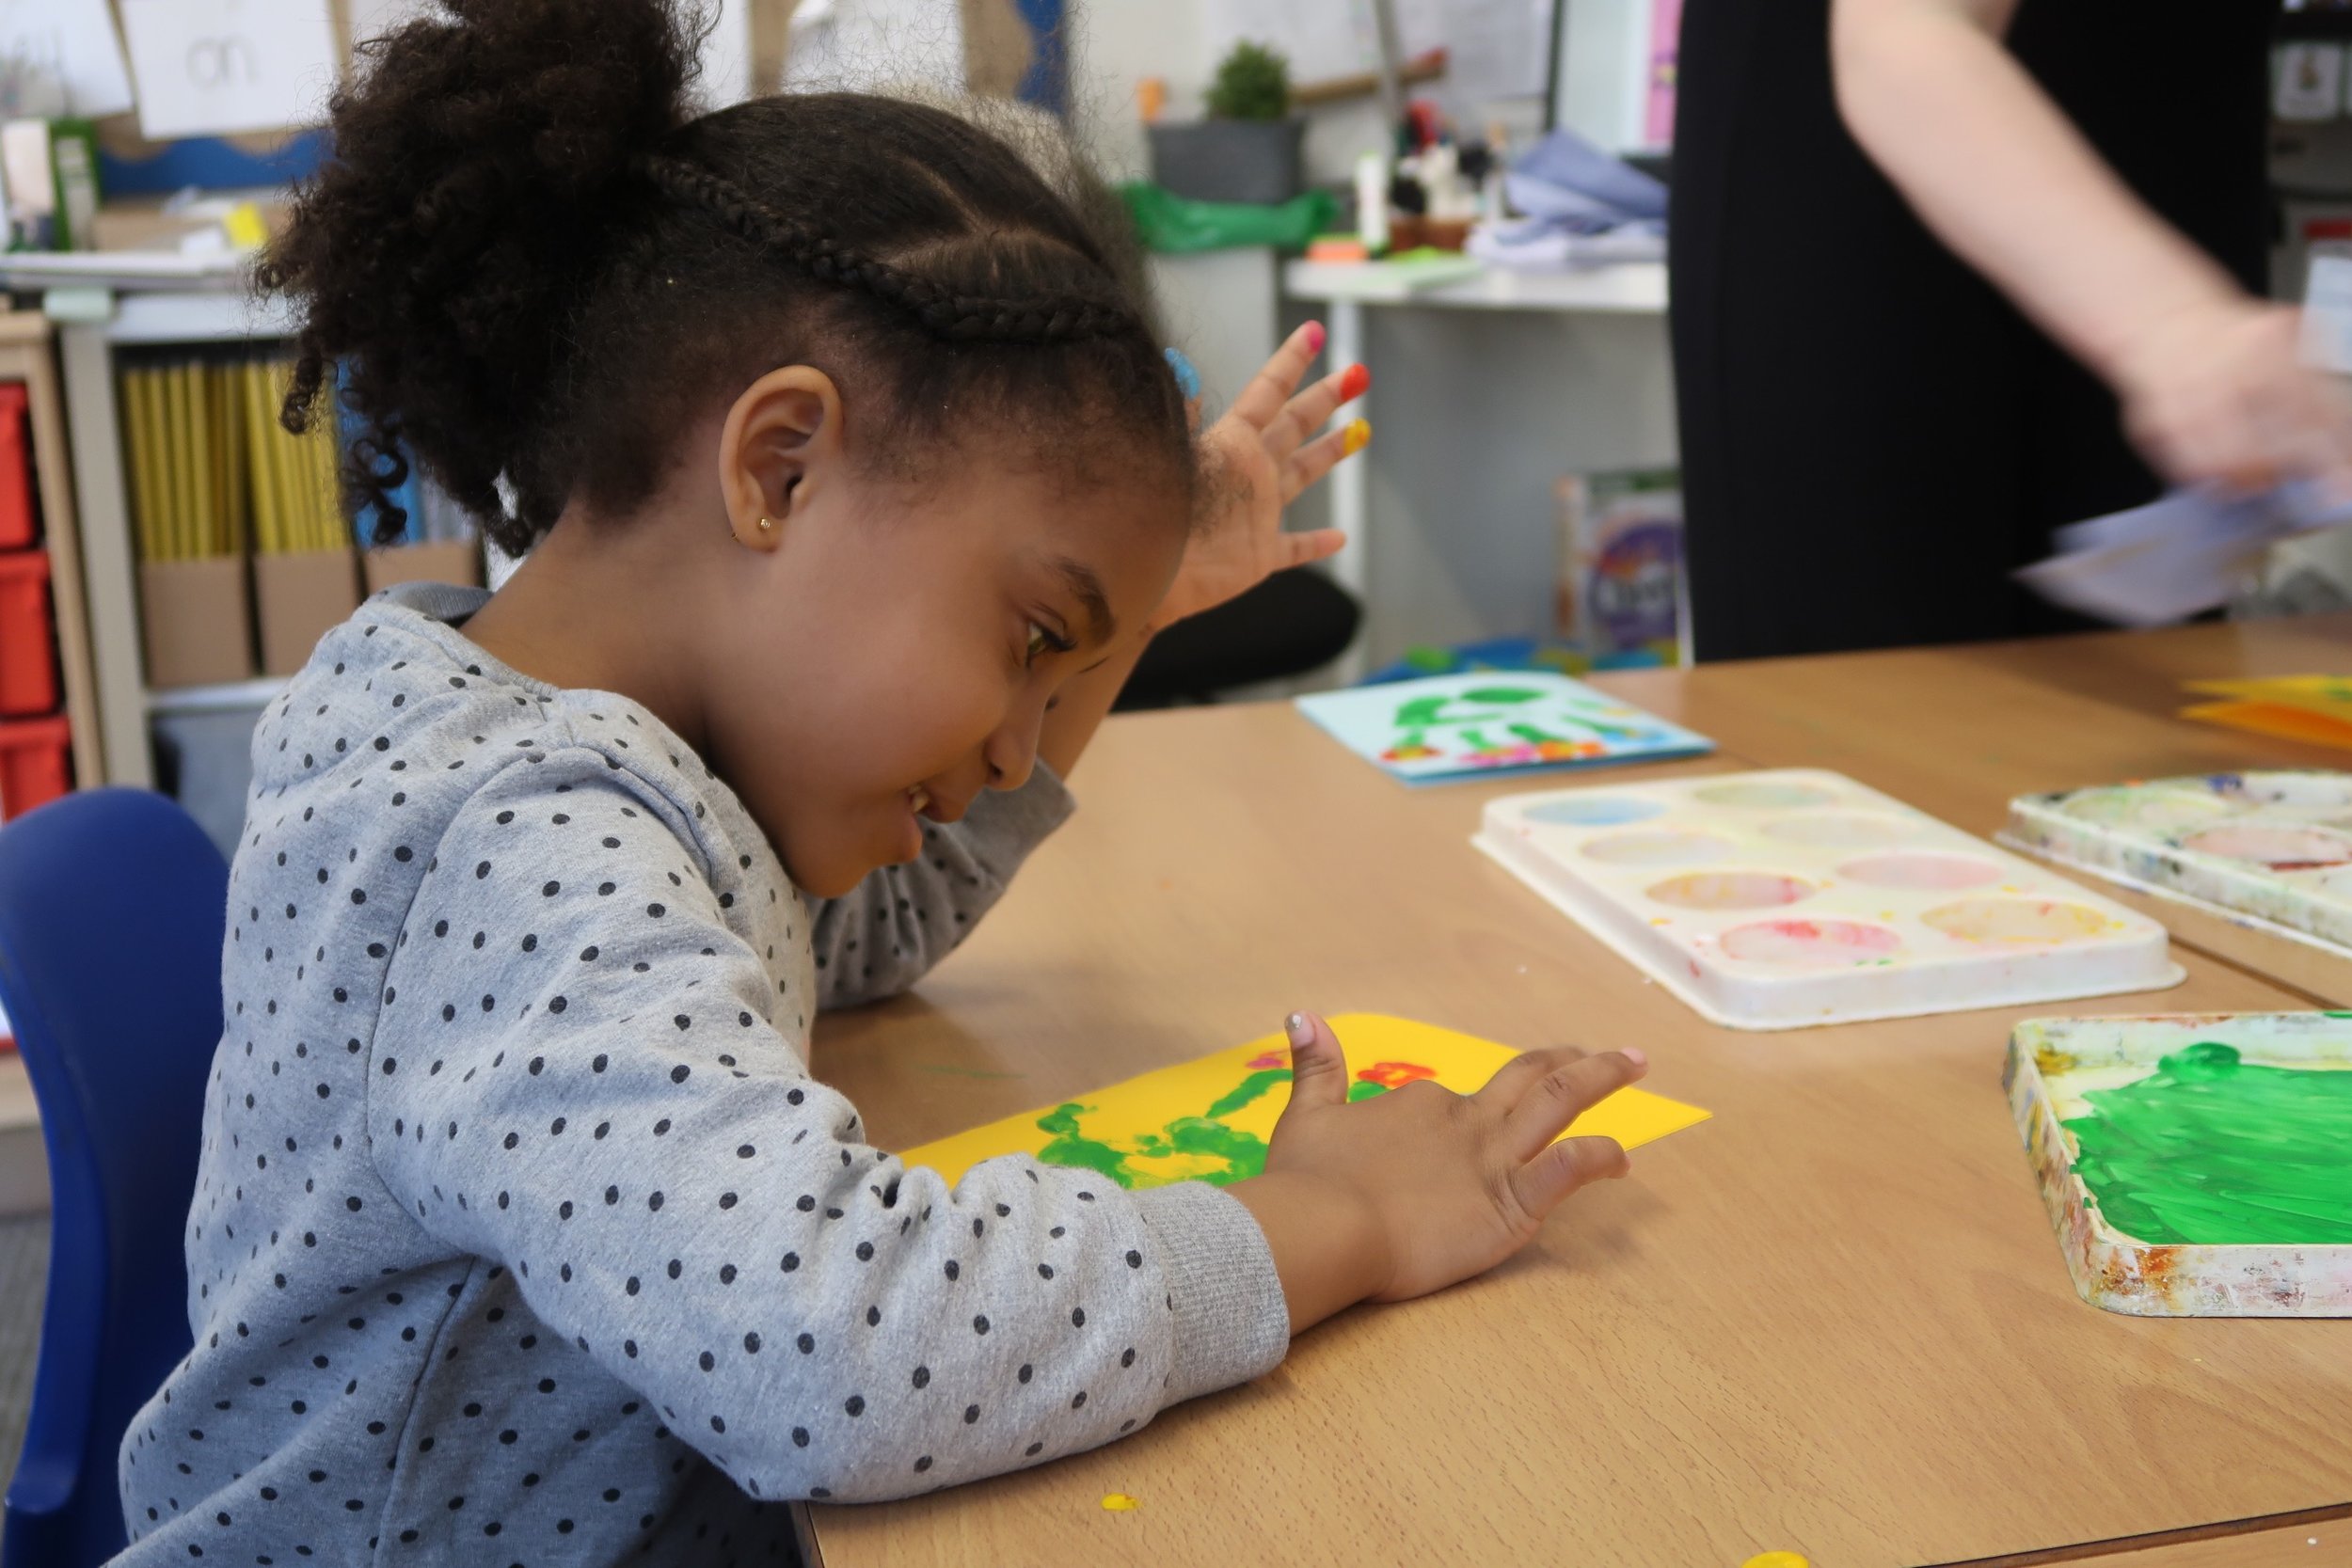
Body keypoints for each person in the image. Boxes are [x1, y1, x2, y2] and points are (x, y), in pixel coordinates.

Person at [112, 2, 1648, 1561]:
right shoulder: (516, 843)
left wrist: (1115, 627)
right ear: (780, 467)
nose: (1019, 745)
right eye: (1031, 638)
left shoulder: (582, 753)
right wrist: (1337, 1217)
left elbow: (855, 935)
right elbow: (828, 1348)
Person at [1671, 0, 2349, 660]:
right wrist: (2175, 325)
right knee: (1874, 687)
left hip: (2175, 142)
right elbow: (1902, 38)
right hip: (1881, 156)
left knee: (2153, 697)